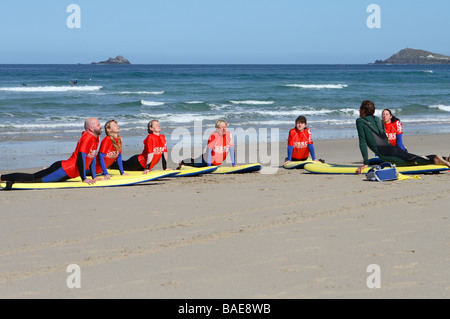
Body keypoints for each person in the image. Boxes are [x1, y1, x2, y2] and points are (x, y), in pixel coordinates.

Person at [355, 100, 450, 174]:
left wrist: (365, 164)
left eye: (360, 109)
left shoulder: (360, 121)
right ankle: (445, 158)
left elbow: (362, 142)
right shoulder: (378, 120)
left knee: (412, 161)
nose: (359, 111)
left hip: (386, 154)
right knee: (411, 157)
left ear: (363, 110)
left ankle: (436, 159)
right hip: (393, 149)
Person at [0, 118, 102, 185]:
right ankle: (2, 177)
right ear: (91, 128)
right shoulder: (87, 137)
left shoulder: (96, 138)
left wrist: (94, 177)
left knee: (34, 178)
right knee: (32, 178)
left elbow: (91, 160)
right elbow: (81, 158)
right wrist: (84, 178)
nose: (100, 126)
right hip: (63, 170)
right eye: (98, 124)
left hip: (67, 172)